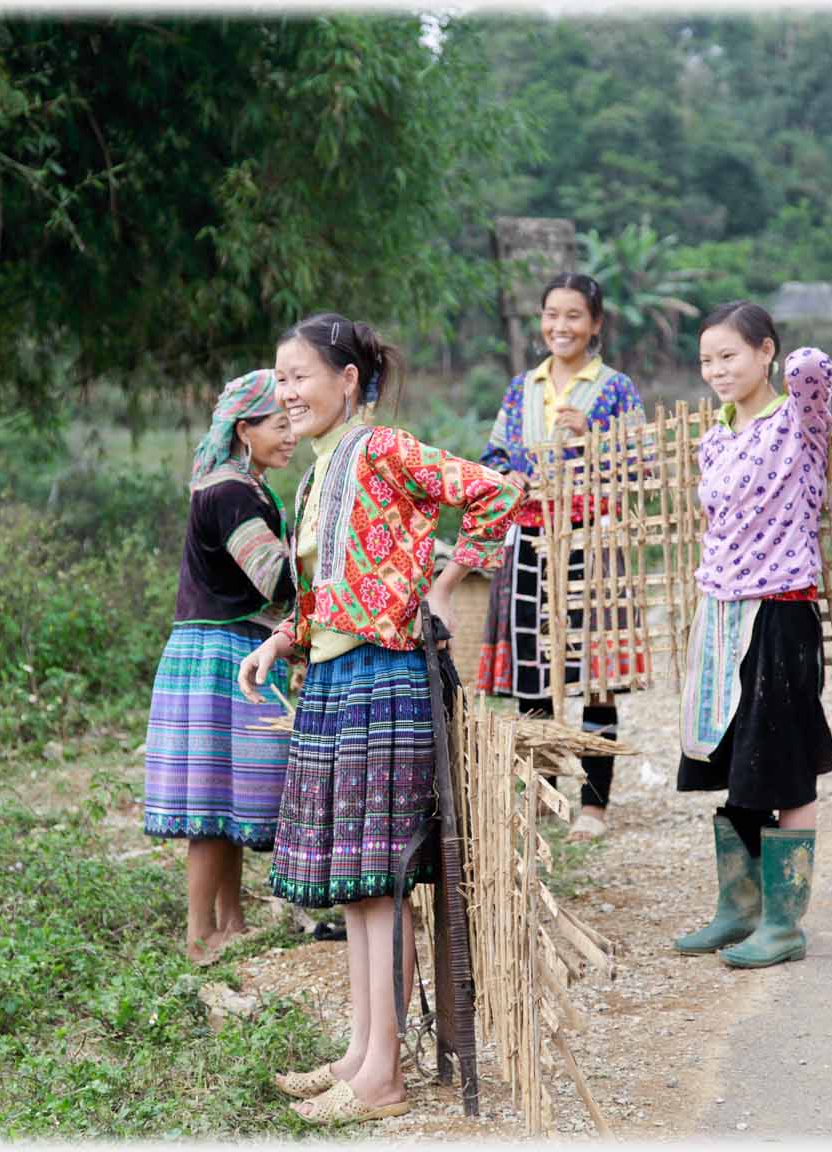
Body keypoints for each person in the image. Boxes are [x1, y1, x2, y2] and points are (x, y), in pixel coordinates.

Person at [237, 312, 521, 1125]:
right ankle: (364, 1054)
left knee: (384, 876)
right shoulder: (319, 471)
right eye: (280, 379)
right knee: (359, 883)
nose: (287, 392)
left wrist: (443, 587)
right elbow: (328, 590)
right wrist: (284, 640)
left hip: (384, 677)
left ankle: (383, 1078)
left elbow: (495, 493)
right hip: (332, 679)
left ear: (348, 380)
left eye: (300, 376)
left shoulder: (385, 450)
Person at [671, 300, 832, 969]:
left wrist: (784, 366)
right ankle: (737, 910)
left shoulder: (799, 420)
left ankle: (784, 922)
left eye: (730, 355)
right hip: (720, 614)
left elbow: (813, 366)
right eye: (707, 360)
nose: (716, 370)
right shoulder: (715, 436)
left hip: (779, 612)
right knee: (731, 761)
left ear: (765, 352)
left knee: (785, 767)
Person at [476, 272, 645, 843]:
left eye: (574, 315)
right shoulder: (523, 386)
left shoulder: (615, 388)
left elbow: (642, 464)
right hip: (527, 542)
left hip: (591, 540)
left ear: (595, 324)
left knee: (597, 673)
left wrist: (592, 436)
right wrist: (509, 473)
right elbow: (492, 455)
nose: (560, 326)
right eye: (551, 314)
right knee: (533, 675)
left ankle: (594, 808)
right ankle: (544, 801)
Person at [143, 369, 298, 968]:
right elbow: (276, 577)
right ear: (245, 429)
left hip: (238, 647)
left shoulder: (249, 486)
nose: (290, 435)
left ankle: (233, 922)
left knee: (231, 796)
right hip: (218, 654)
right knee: (209, 805)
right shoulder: (230, 492)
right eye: (279, 424)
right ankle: (199, 936)